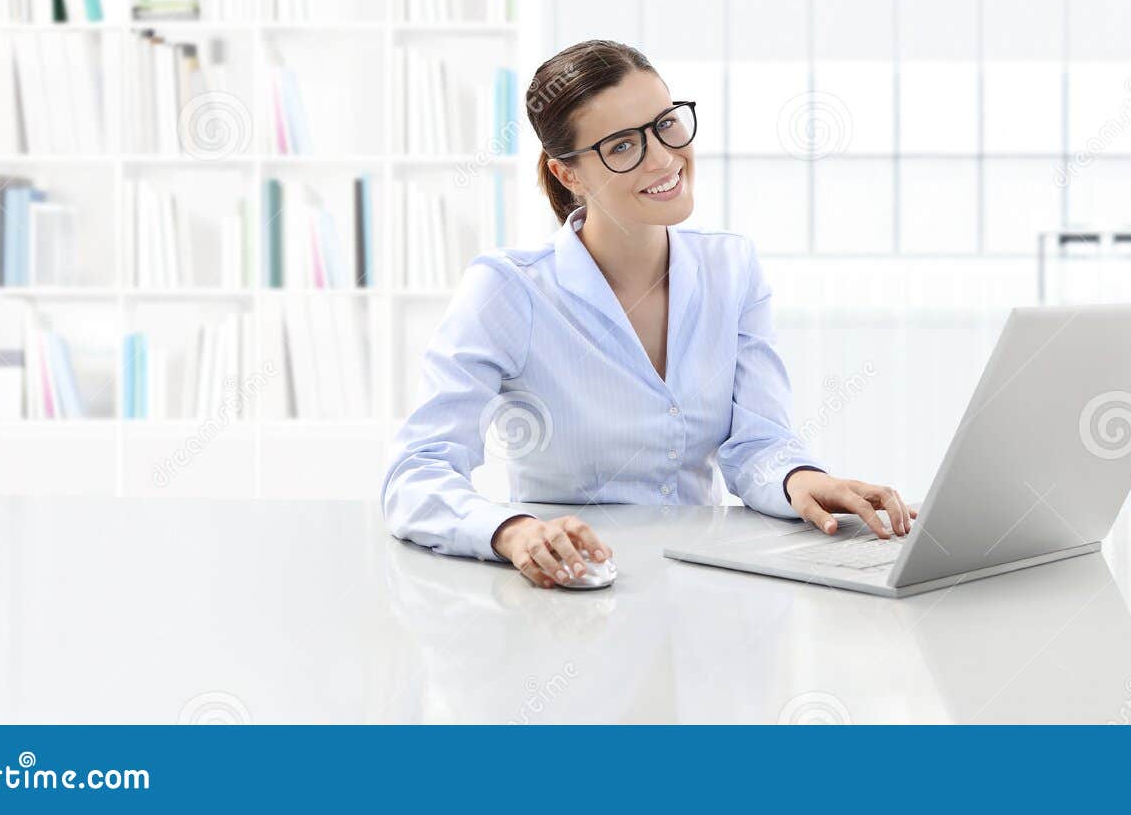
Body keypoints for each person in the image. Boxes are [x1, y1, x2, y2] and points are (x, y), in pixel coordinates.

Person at [382, 40, 914, 587]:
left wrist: (799, 478)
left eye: (666, 125)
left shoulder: (731, 267)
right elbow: (416, 473)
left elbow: (758, 442)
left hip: (709, 582)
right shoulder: (508, 289)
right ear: (569, 175)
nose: (662, 158)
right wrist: (514, 531)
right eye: (621, 146)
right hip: (574, 587)